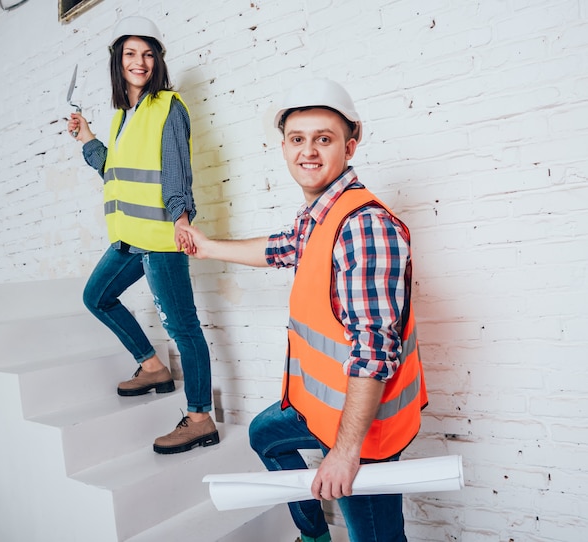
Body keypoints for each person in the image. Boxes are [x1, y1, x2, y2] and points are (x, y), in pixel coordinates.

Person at [183, 79, 428, 541]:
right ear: (284, 148)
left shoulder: (364, 226)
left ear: (349, 145)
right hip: (320, 410)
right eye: (298, 139)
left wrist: (345, 451)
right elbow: (280, 248)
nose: (308, 151)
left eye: (324, 139)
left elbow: (375, 350)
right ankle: (314, 535)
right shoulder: (317, 216)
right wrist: (207, 246)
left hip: (363, 429)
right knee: (265, 434)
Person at [67, 16, 218, 455]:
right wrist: (88, 137)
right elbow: (112, 170)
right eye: (131, 54)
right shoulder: (121, 117)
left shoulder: (167, 106)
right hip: (131, 238)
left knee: (184, 328)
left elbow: (175, 171)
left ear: (158, 61)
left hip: (163, 237)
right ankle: (152, 367)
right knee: (97, 297)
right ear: (118, 61)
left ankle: (200, 418)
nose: (140, 61)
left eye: (148, 54)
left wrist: (181, 219)